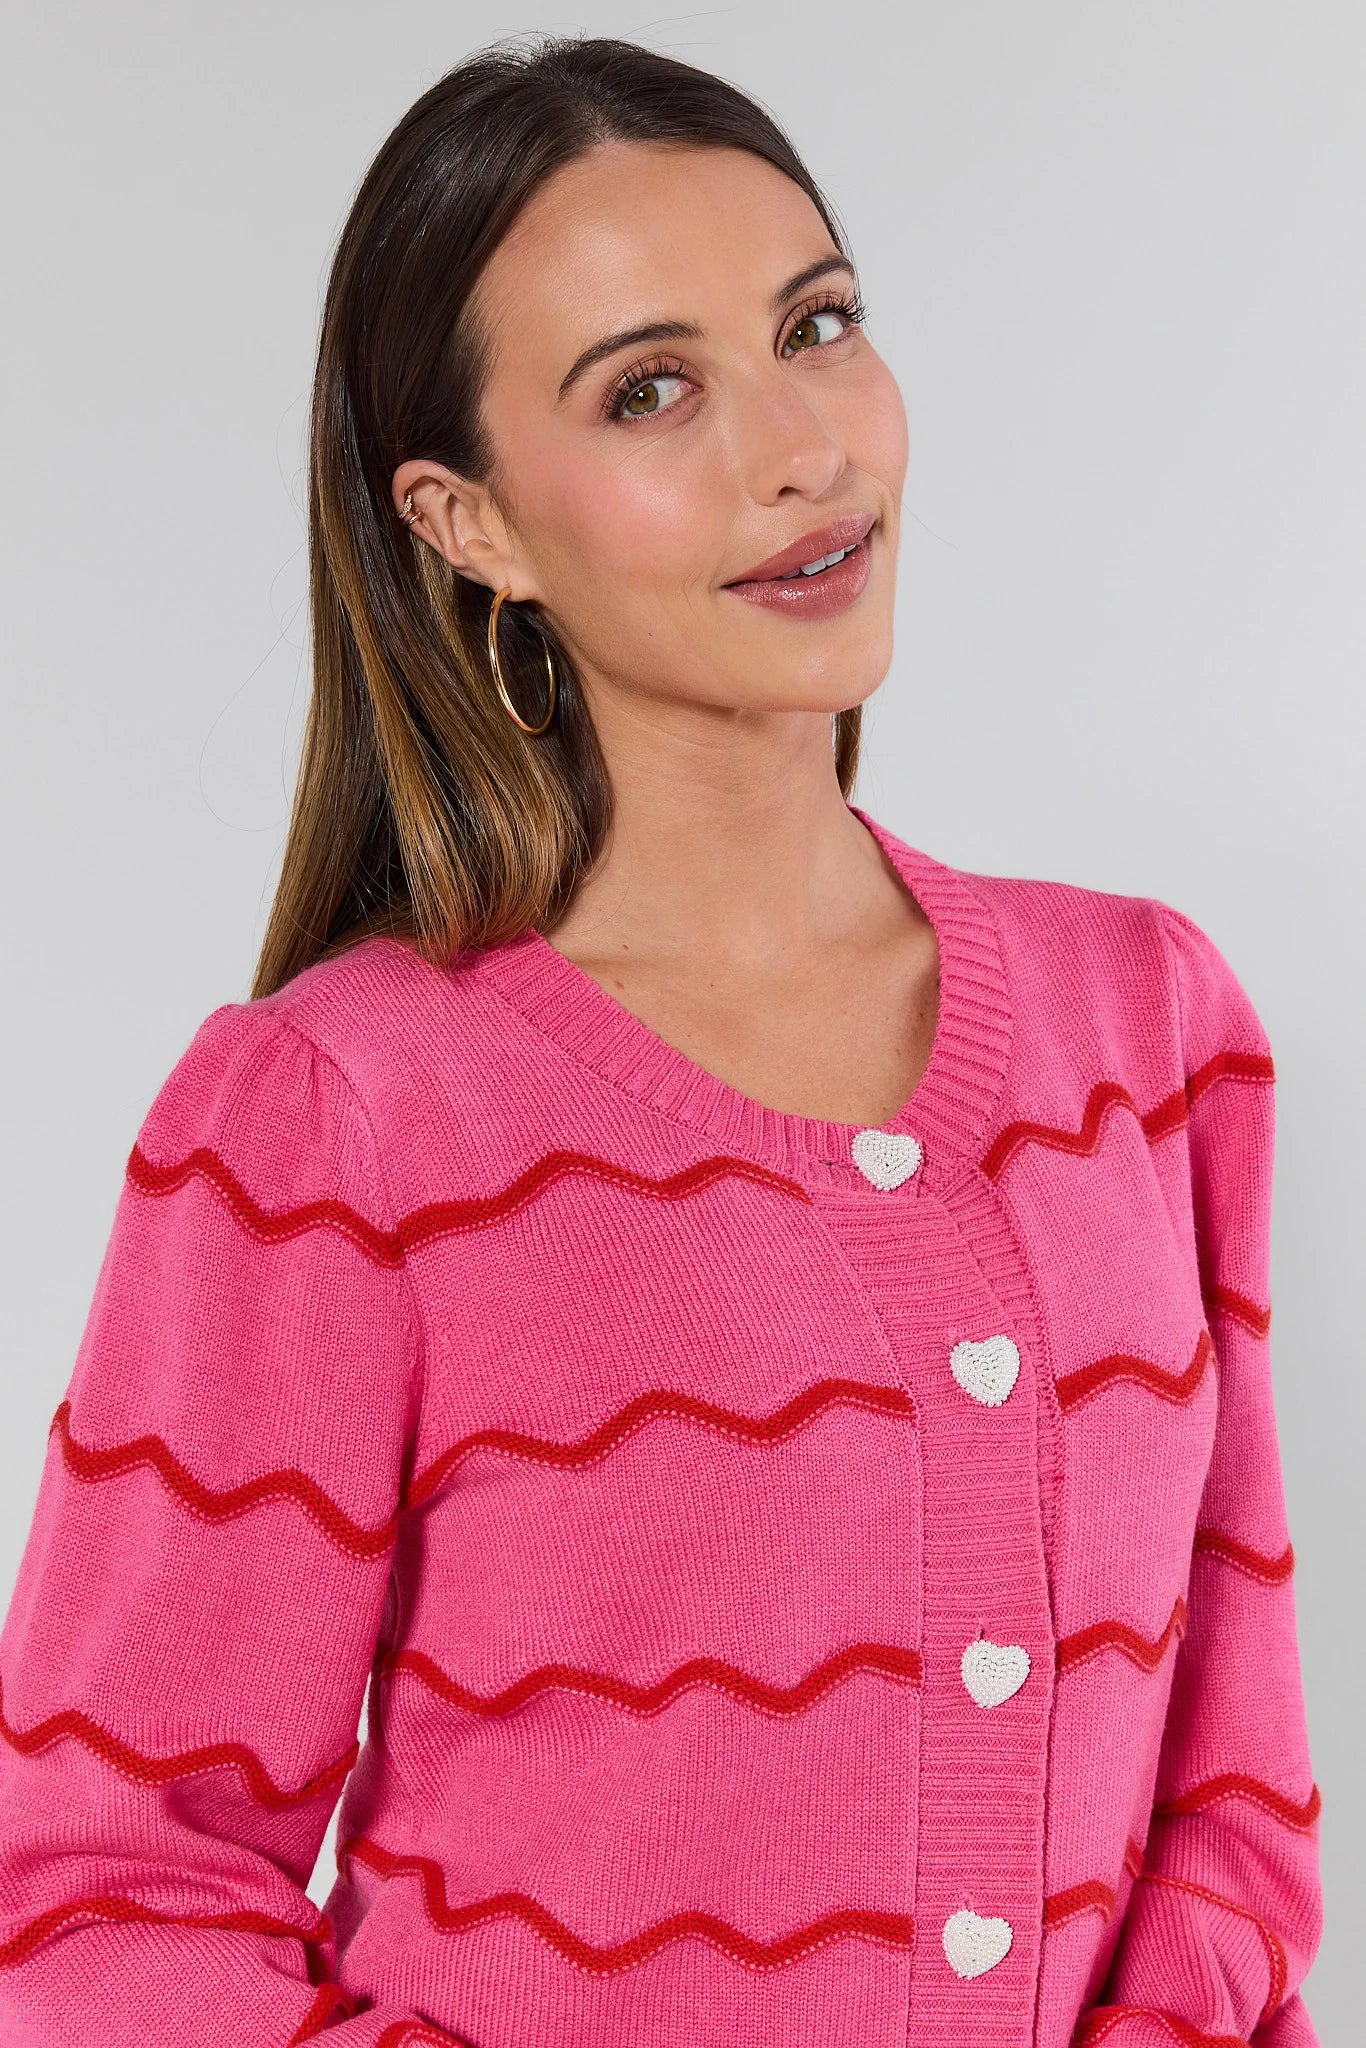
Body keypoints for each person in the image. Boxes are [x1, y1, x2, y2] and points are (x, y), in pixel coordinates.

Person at [0, 32, 1322, 2048]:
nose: (799, 447)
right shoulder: (336, 1111)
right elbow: (102, 1889)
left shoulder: (1143, 1026)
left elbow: (1227, 1817)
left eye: (815, 326)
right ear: (470, 525)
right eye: (649, 389)